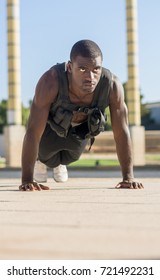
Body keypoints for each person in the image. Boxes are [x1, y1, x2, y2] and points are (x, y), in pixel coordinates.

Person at [19, 39, 144, 191]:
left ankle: (60, 164)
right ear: (70, 67)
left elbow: (121, 132)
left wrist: (128, 177)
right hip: (50, 131)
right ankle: (40, 161)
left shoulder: (112, 86)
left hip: (79, 132)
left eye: (96, 69)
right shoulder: (50, 81)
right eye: (83, 69)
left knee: (71, 157)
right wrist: (27, 179)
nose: (90, 77)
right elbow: (32, 131)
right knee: (49, 157)